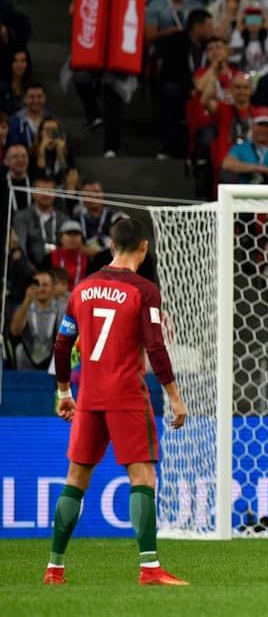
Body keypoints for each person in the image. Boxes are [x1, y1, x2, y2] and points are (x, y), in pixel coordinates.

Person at [46, 217, 188, 586]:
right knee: (142, 477)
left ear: (110, 243)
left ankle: (54, 569)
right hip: (126, 395)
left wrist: (64, 392)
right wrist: (174, 397)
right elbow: (155, 346)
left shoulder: (82, 289)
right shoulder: (144, 290)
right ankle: (150, 568)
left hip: (89, 396)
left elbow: (62, 344)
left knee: (76, 478)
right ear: (144, 247)